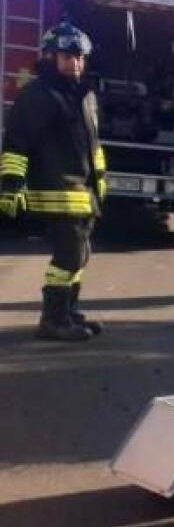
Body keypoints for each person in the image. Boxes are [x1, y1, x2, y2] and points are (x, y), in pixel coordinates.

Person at [0, 21, 107, 341]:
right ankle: (53, 320)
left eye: (80, 57)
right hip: (56, 190)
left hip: (84, 191)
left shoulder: (84, 95)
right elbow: (17, 143)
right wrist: (11, 185)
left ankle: (69, 313)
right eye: (68, 57)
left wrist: (100, 181)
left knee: (82, 254)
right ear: (50, 57)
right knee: (69, 256)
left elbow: (93, 144)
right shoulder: (38, 94)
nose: (76, 63)